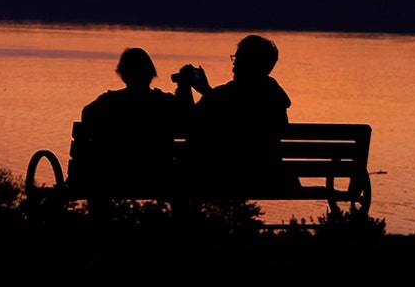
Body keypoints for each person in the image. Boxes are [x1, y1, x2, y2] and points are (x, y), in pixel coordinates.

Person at [172, 34, 291, 190]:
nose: (234, 64)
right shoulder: (275, 96)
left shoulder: (226, 94)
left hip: (227, 174)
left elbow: (189, 123)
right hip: (269, 174)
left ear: (251, 63)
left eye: (239, 58)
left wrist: (186, 88)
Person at [78, 47, 185, 190]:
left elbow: (87, 115)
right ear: (151, 73)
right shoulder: (165, 102)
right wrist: (183, 89)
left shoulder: (108, 102)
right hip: (159, 176)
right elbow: (190, 118)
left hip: (112, 176)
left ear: (123, 74)